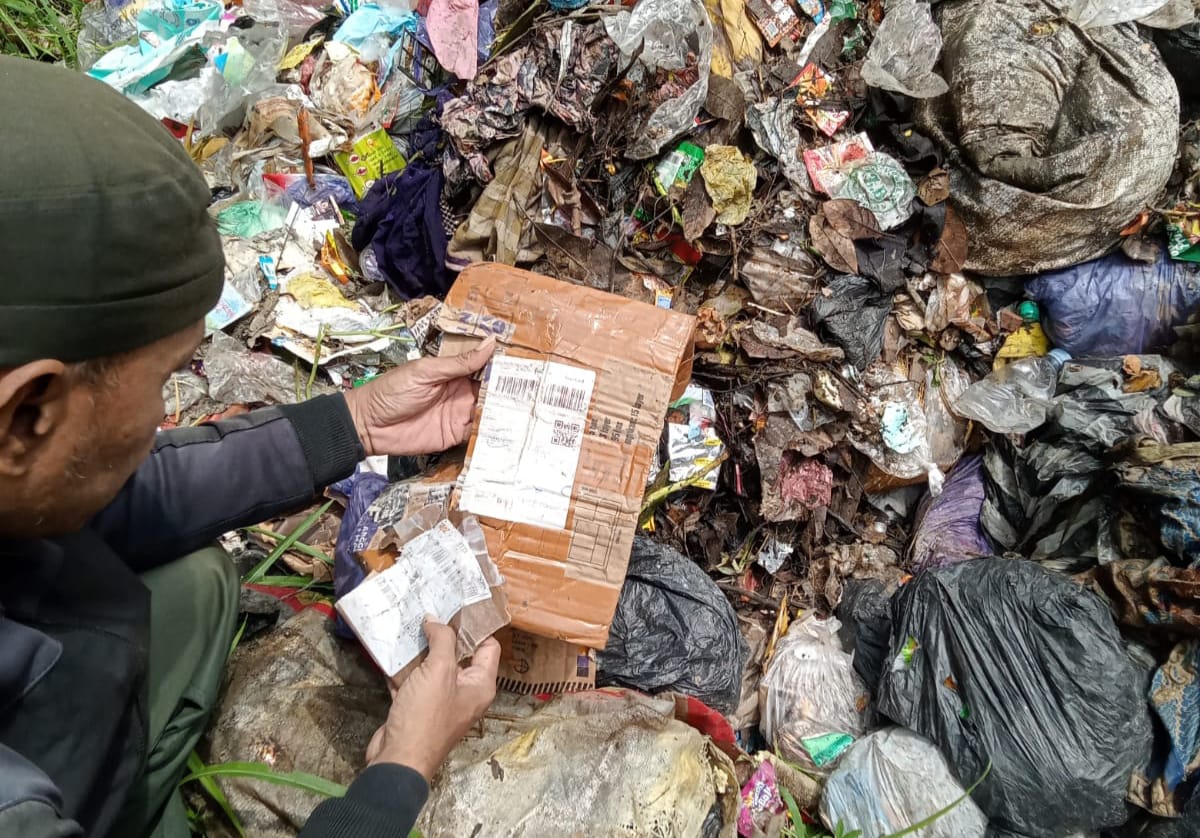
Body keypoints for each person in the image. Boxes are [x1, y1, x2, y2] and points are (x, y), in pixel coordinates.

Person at [0, 56, 499, 837]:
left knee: (196, 580)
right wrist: (400, 770)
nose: (164, 411)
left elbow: (124, 490)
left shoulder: (18, 470)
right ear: (27, 412)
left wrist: (356, 423)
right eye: (164, 377)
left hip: (56, 691)